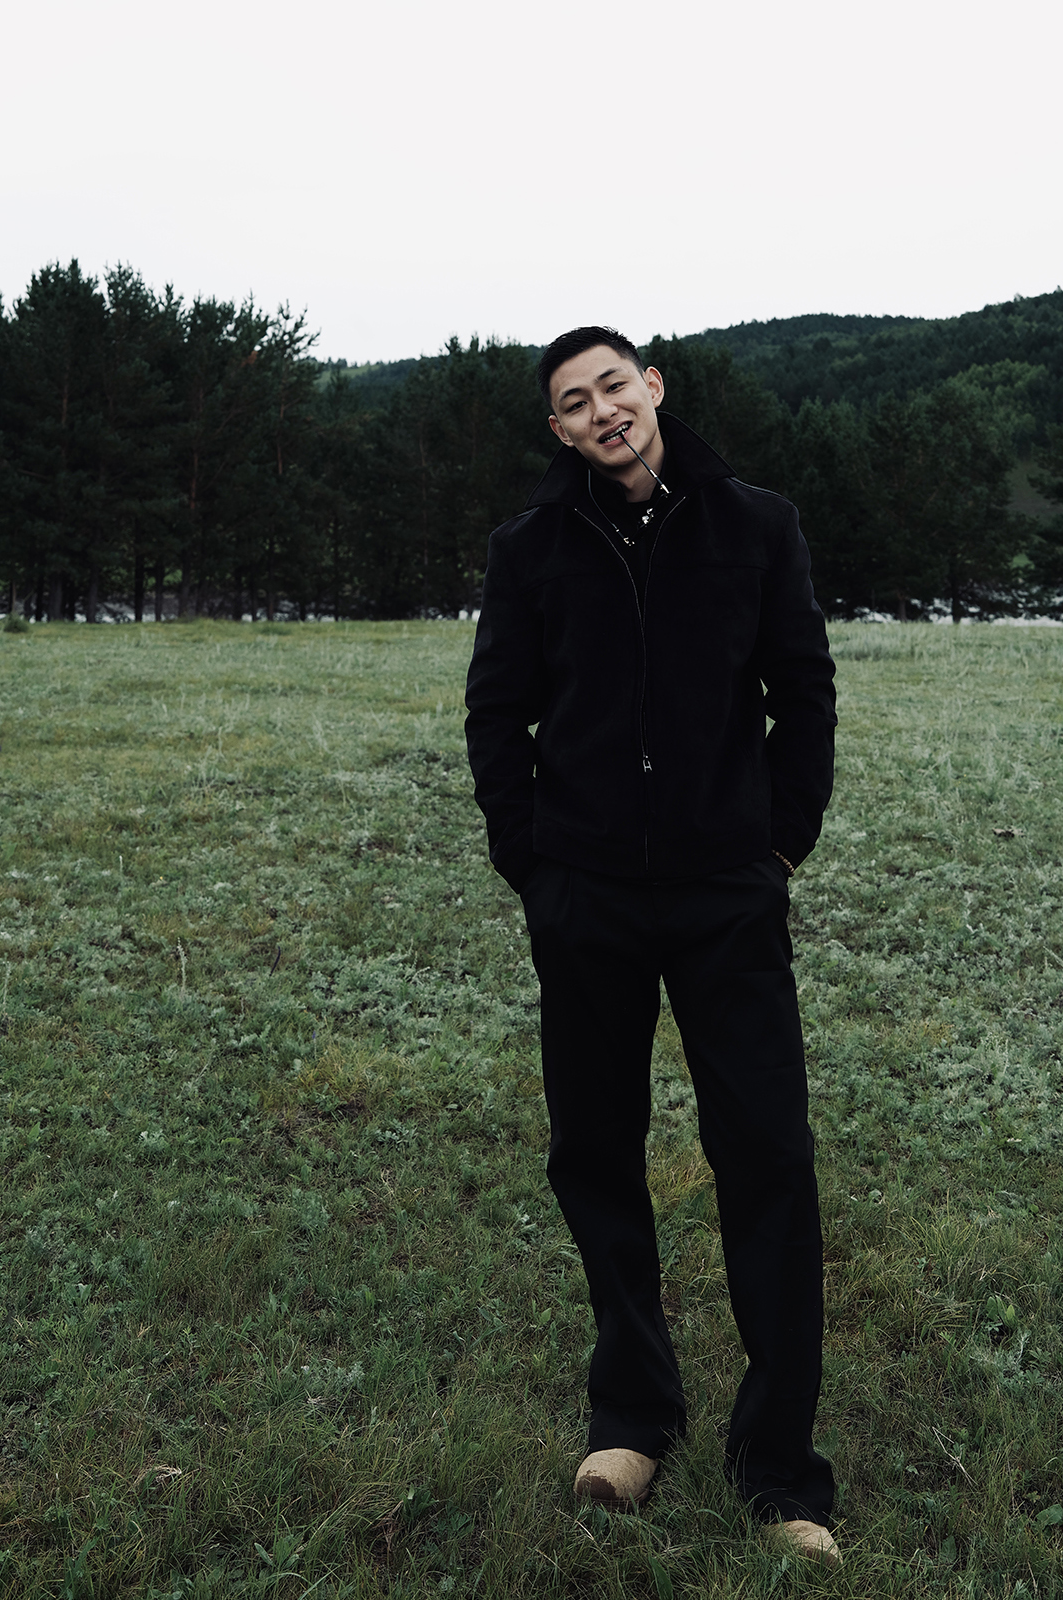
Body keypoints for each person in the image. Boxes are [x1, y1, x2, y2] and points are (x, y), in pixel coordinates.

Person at [464, 327, 840, 1563]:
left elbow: (803, 691)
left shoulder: (757, 524)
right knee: (596, 1154)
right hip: (587, 902)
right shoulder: (530, 547)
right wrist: (533, 865)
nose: (601, 411)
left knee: (768, 1158)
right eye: (574, 402)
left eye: (614, 385)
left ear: (654, 389)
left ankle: (779, 1470)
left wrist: (777, 848)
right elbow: (496, 712)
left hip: (726, 895)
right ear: (560, 430)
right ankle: (633, 1415)